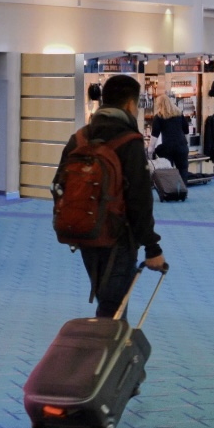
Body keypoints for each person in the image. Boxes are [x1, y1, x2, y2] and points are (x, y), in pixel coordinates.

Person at [57, 73, 166, 316]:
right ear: (130, 104)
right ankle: (101, 353)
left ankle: (107, 349)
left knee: (107, 301)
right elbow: (140, 199)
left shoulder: (79, 138)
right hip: (118, 239)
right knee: (113, 311)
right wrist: (152, 247)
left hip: (85, 232)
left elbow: (59, 185)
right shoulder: (129, 141)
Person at [150, 93, 190, 184]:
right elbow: (186, 129)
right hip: (181, 146)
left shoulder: (159, 117)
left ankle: (170, 191)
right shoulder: (179, 114)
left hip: (167, 147)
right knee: (183, 170)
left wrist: (150, 149)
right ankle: (182, 192)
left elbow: (154, 134)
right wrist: (186, 143)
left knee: (167, 171)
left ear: (159, 105)